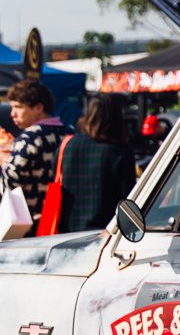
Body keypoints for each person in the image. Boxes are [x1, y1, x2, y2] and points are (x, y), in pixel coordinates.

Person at [57, 94, 137, 233]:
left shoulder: (67, 144)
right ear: (117, 118)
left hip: (66, 232)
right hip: (105, 233)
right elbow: (127, 199)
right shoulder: (120, 151)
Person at [1, 80, 72, 237]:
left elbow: (11, 180)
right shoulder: (69, 132)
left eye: (18, 107)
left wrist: (3, 161)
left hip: (30, 223)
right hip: (64, 217)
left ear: (39, 108)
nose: (12, 113)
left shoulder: (30, 137)